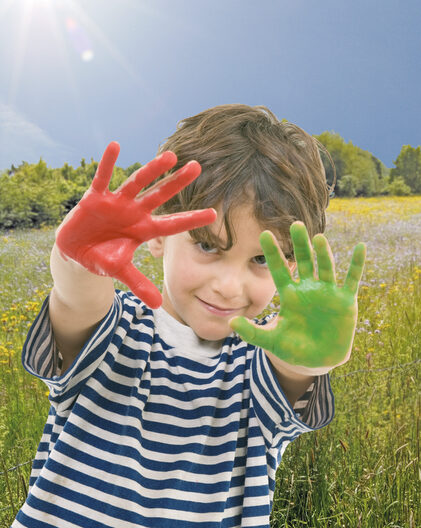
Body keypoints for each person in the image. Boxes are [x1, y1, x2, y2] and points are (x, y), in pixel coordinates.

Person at [12, 104, 366, 528]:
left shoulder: (257, 367)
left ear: (290, 267)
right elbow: (76, 302)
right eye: (208, 246)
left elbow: (294, 369)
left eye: (260, 259)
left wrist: (316, 358)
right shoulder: (116, 333)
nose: (229, 286)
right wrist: (77, 261)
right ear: (160, 229)